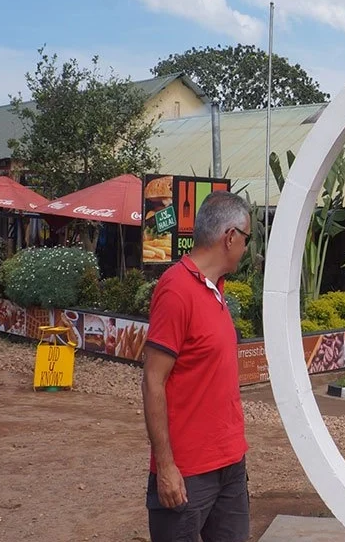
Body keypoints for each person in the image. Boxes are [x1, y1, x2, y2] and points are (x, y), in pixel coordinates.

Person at [142, 191, 253, 542]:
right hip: (187, 475)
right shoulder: (176, 290)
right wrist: (166, 467)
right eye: (247, 239)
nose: (247, 248)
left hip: (230, 466)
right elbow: (152, 381)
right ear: (230, 237)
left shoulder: (217, 288)